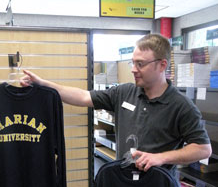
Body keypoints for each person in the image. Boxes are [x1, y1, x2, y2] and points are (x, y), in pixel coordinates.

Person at [20, 33, 212, 173]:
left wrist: (161, 158)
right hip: (123, 184)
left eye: (140, 64)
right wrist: (42, 85)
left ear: (162, 65)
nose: (133, 69)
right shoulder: (124, 92)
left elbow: (203, 148)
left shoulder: (181, 105)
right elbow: (83, 96)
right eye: (132, 63)